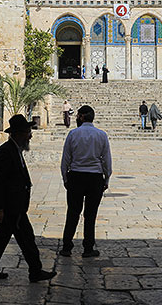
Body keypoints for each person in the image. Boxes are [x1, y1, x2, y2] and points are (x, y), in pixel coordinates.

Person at [0, 114, 56, 282]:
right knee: (25, 240)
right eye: (28, 131)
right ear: (18, 133)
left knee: (3, 238)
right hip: (11, 207)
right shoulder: (6, 152)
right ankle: (35, 271)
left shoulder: (16, 150)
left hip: (16, 206)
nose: (30, 135)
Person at [59, 105, 112, 258]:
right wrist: (106, 178)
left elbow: (66, 159)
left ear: (82, 117)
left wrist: (65, 178)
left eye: (77, 116)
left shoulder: (73, 134)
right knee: (91, 214)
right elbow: (106, 160)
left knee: (73, 212)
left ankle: (67, 247)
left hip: (76, 176)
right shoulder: (101, 135)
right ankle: (88, 248)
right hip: (95, 177)